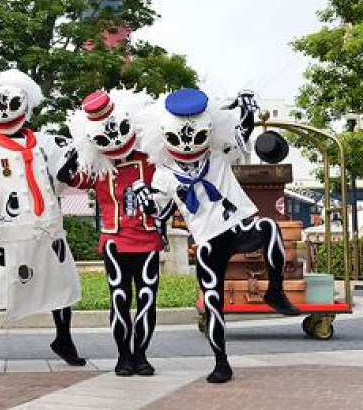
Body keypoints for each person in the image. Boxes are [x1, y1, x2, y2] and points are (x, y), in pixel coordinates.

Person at [137, 88, 300, 383]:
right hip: (207, 242)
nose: (188, 144)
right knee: (213, 301)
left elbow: (242, 134)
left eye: (197, 136)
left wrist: (247, 109)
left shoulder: (217, 154)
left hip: (235, 228)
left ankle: (275, 291)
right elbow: (158, 213)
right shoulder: (163, 174)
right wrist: (144, 198)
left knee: (269, 227)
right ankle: (221, 362)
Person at [0, 64, 85, 375]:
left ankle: (64, 340)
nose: (5, 112)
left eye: (13, 104)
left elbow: (69, 162)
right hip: (5, 235)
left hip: (47, 231)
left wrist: (73, 171)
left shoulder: (45, 142)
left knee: (60, 288)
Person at [58, 89, 170, 376]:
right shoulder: (99, 167)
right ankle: (124, 357)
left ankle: (141, 356)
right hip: (114, 241)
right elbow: (67, 177)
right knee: (119, 299)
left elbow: (168, 193)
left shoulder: (150, 160)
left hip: (147, 239)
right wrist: (75, 152)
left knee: (147, 299)